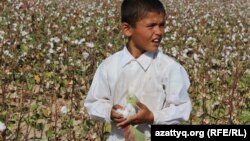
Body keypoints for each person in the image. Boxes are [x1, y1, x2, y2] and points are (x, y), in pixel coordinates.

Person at [84, 0, 192, 140]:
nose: (158, 32)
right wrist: (109, 112)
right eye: (151, 26)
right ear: (127, 29)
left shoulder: (170, 68)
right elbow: (93, 103)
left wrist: (153, 117)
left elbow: (182, 108)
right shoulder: (108, 67)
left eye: (161, 25)